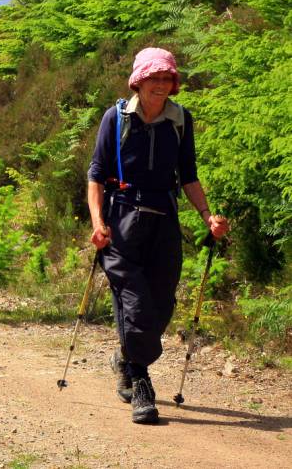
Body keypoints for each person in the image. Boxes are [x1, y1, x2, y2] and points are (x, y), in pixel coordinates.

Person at [87, 47, 229, 425]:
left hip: (164, 219)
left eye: (167, 79)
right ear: (139, 80)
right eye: (155, 78)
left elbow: (188, 174)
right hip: (121, 221)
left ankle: (125, 358)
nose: (162, 85)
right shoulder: (115, 119)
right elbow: (96, 175)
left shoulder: (180, 120)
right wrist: (98, 222)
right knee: (134, 304)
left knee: (162, 303)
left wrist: (206, 217)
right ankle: (141, 382)